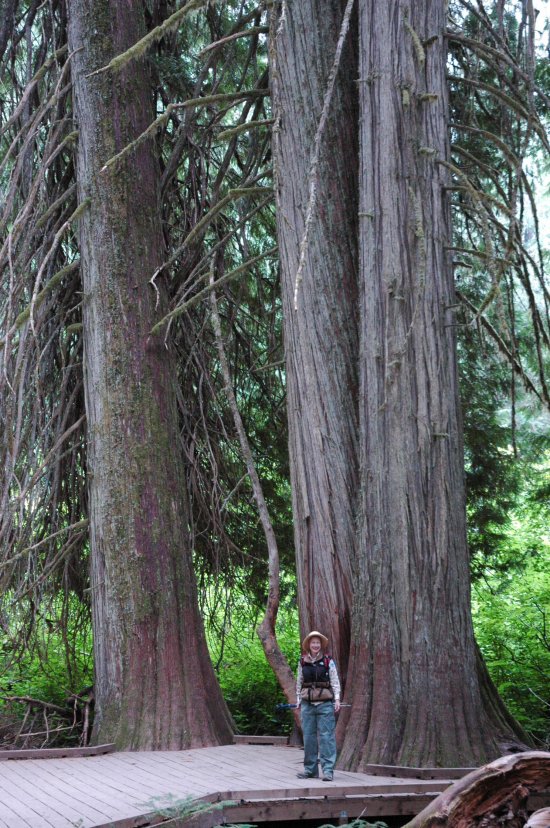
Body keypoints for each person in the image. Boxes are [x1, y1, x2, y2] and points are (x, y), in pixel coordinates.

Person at [296, 630, 341, 782]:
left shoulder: (328, 661)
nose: (315, 645)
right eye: (313, 642)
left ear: (321, 645)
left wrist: (337, 699)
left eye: (318, 642)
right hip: (307, 704)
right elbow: (299, 681)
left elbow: (334, 680)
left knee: (326, 737)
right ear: (308, 645)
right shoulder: (302, 662)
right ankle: (310, 770)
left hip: (325, 704)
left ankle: (328, 771)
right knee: (308, 737)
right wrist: (298, 700)